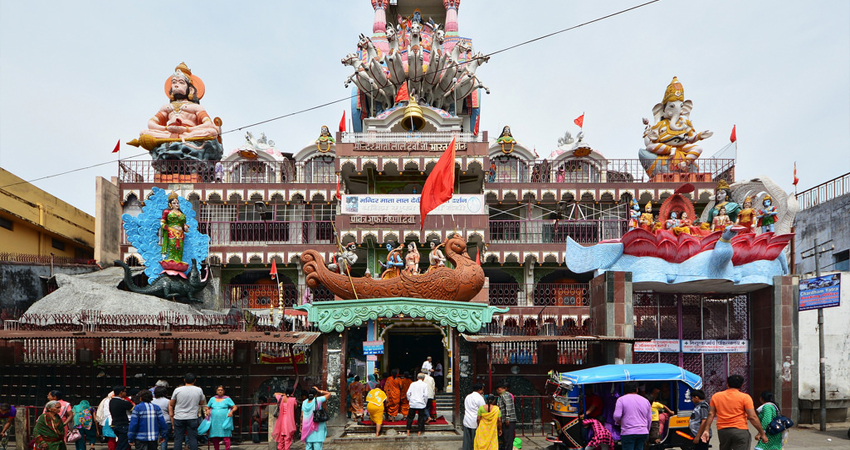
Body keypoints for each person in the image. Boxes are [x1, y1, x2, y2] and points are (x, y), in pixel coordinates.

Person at [639, 77, 713, 175]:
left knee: (698, 148)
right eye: (671, 107)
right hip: (666, 149)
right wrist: (651, 134)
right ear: (662, 110)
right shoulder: (661, 124)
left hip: (682, 148)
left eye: (681, 106)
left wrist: (700, 136)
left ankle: (685, 163)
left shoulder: (684, 122)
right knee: (650, 148)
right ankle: (671, 151)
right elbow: (649, 143)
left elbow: (691, 138)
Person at [140, 63, 221, 142]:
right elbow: (151, 123)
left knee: (211, 132)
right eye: (174, 82)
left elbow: (208, 124)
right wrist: (166, 128)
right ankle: (176, 138)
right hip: (168, 133)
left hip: (189, 133)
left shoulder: (196, 107)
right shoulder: (167, 107)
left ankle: (181, 138)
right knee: (144, 133)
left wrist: (186, 129)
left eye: (181, 82)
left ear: (191, 90)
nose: (176, 85)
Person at [699, 375, 768, 450]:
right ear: (742, 385)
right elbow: (752, 417)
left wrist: (706, 430)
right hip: (740, 430)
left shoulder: (716, 396)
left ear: (727, 384)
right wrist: (762, 433)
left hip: (723, 431)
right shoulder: (745, 397)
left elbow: (711, 414)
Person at [169, 373, 206, 450]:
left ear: (184, 380)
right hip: (192, 417)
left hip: (179, 417)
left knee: (178, 439)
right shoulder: (199, 390)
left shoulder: (177, 390)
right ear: (195, 380)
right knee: (193, 438)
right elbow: (201, 403)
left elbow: (172, 403)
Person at [613, 381, 652, 450]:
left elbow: (617, 416)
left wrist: (619, 422)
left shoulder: (621, 400)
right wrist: (646, 430)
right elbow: (649, 419)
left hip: (628, 432)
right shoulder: (645, 401)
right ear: (637, 389)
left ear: (625, 389)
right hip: (642, 432)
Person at [160, 192, 190, 268]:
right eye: (174, 203)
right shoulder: (167, 212)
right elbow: (162, 222)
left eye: (177, 203)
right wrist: (165, 227)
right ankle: (172, 260)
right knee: (172, 246)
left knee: (180, 248)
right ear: (170, 204)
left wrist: (185, 228)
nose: (176, 204)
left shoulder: (181, 214)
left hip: (180, 233)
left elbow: (183, 224)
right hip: (171, 232)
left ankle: (178, 260)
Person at [462, 384, 486, 450]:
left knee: (467, 439)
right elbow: (483, 409)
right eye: (482, 390)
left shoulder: (468, 396)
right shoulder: (479, 398)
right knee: (475, 439)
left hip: (467, 419)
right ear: (479, 390)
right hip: (475, 420)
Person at [495, 382, 516, 450]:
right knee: (505, 438)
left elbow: (508, 406)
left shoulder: (505, 395)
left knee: (508, 439)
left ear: (500, 389)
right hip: (504, 420)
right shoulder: (502, 396)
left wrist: (508, 418)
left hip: (508, 420)